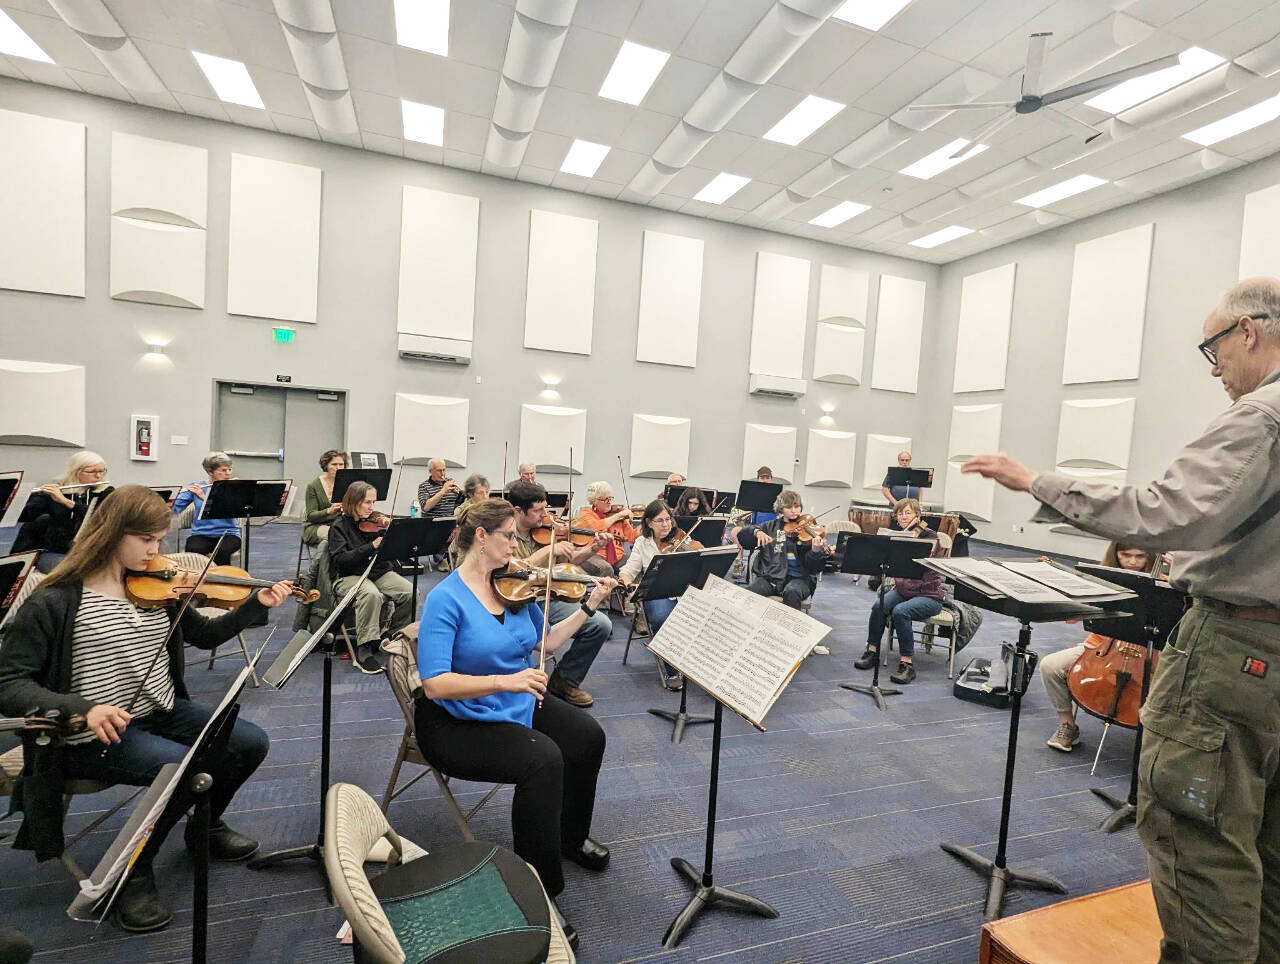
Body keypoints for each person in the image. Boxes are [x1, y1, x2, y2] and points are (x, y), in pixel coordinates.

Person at [962, 277, 1280, 964]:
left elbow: (1165, 513)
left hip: (1238, 649)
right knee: (1266, 848)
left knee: (1201, 846)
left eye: (1214, 346)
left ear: (1249, 332)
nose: (1215, 366)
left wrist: (1036, 483)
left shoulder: (1262, 416)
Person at [0, 485, 290, 933]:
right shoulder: (56, 599)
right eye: (147, 541)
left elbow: (204, 637)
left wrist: (255, 604)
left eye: (160, 541)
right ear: (112, 533)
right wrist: (81, 707)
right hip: (88, 731)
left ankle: (205, 829)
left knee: (250, 742)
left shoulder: (157, 587)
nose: (157, 553)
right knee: (176, 769)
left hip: (160, 710)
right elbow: (10, 683)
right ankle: (133, 870)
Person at [416, 498, 615, 947]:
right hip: (456, 719)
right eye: (509, 536)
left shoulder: (513, 584)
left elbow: (544, 641)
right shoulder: (445, 598)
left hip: (513, 697)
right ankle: (540, 891)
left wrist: (588, 606)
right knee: (542, 760)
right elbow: (434, 683)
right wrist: (505, 680)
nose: (517, 545)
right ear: (481, 537)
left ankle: (570, 837)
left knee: (588, 737)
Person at [1040, 541, 1158, 752]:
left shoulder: (1161, 584)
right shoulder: (1102, 578)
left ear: (1150, 556)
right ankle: (1068, 725)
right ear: (1116, 554)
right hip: (1103, 647)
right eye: (1126, 555)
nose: (1132, 562)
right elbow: (1073, 619)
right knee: (1050, 666)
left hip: (1150, 652)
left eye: (1140, 556)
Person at [505, 481, 614, 707]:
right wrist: (548, 550)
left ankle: (564, 681)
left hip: (549, 597)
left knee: (601, 625)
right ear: (518, 510)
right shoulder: (505, 534)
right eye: (538, 510)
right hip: (516, 602)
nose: (545, 515)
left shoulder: (547, 531)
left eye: (545, 508)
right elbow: (512, 572)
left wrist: (592, 549)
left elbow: (568, 563)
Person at [852, 498, 945, 684]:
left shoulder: (930, 536)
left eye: (908, 513)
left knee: (900, 611)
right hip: (904, 591)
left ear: (917, 515)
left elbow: (929, 555)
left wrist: (914, 533)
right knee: (879, 605)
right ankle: (872, 651)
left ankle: (907, 664)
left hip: (929, 595)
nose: (903, 517)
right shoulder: (899, 536)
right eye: (900, 513)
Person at [327, 481, 414, 674]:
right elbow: (341, 561)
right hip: (349, 576)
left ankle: (393, 636)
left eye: (374, 502)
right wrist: (371, 546)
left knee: (410, 592)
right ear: (353, 502)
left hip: (377, 572)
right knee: (371, 594)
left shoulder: (375, 522)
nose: (372, 508)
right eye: (367, 502)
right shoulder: (338, 527)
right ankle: (364, 648)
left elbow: (393, 552)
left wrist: (393, 532)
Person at [618, 500, 691, 690]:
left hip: (683, 593)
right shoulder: (642, 543)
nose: (666, 524)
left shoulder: (682, 539)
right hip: (656, 594)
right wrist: (627, 583)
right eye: (660, 520)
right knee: (662, 618)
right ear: (649, 522)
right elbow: (628, 571)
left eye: (668, 519)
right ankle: (672, 669)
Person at [734, 489, 831, 617]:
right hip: (771, 577)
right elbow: (743, 536)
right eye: (789, 507)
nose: (794, 510)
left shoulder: (808, 532)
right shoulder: (770, 527)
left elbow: (813, 568)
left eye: (796, 506)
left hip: (799, 579)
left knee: (792, 592)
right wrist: (756, 532)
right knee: (747, 595)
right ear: (780, 509)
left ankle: (791, 631)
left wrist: (815, 552)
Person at [11, 451, 111, 573]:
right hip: (56, 552)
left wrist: (65, 501)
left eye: (102, 471)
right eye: (91, 472)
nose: (98, 476)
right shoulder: (57, 489)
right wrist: (15, 499)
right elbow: (25, 516)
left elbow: (99, 516)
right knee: (67, 572)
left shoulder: (106, 492)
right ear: (75, 471)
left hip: (90, 552)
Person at [171, 452, 241, 566]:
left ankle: (222, 581)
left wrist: (204, 497)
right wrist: (172, 497)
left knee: (222, 552)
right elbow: (173, 508)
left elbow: (227, 509)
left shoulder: (232, 487)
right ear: (210, 472)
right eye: (223, 470)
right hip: (201, 534)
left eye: (229, 469)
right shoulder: (198, 487)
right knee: (193, 552)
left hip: (228, 534)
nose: (228, 474)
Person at [574, 481, 640, 578]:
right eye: (605, 499)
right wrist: (618, 515)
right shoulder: (586, 514)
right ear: (594, 501)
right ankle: (605, 593)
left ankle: (631, 591)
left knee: (637, 563)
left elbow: (631, 537)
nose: (609, 502)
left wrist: (645, 526)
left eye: (610, 498)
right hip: (593, 555)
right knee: (606, 569)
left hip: (618, 556)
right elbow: (597, 526)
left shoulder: (619, 517)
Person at [730, 467, 776, 580]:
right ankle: (739, 562)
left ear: (771, 479)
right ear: (757, 479)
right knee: (735, 531)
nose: (765, 480)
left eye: (767, 478)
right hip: (753, 529)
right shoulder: (751, 493)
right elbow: (740, 510)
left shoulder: (777, 494)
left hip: (770, 530)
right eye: (762, 478)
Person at [302, 449, 345, 546]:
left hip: (339, 525)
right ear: (326, 466)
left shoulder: (346, 484)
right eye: (334, 464)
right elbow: (311, 516)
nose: (338, 468)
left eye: (341, 464)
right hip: (316, 526)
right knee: (337, 536)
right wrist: (329, 511)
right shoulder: (313, 486)